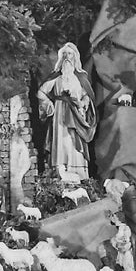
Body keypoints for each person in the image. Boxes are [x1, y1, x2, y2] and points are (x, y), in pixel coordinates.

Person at [37, 42, 98, 183]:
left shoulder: (81, 77)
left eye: (69, 54)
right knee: (61, 140)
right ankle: (61, 173)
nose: (67, 57)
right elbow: (41, 92)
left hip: (76, 114)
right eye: (64, 54)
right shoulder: (56, 77)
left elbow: (86, 95)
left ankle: (78, 175)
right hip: (60, 112)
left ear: (75, 56)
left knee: (74, 141)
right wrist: (49, 105)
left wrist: (83, 103)